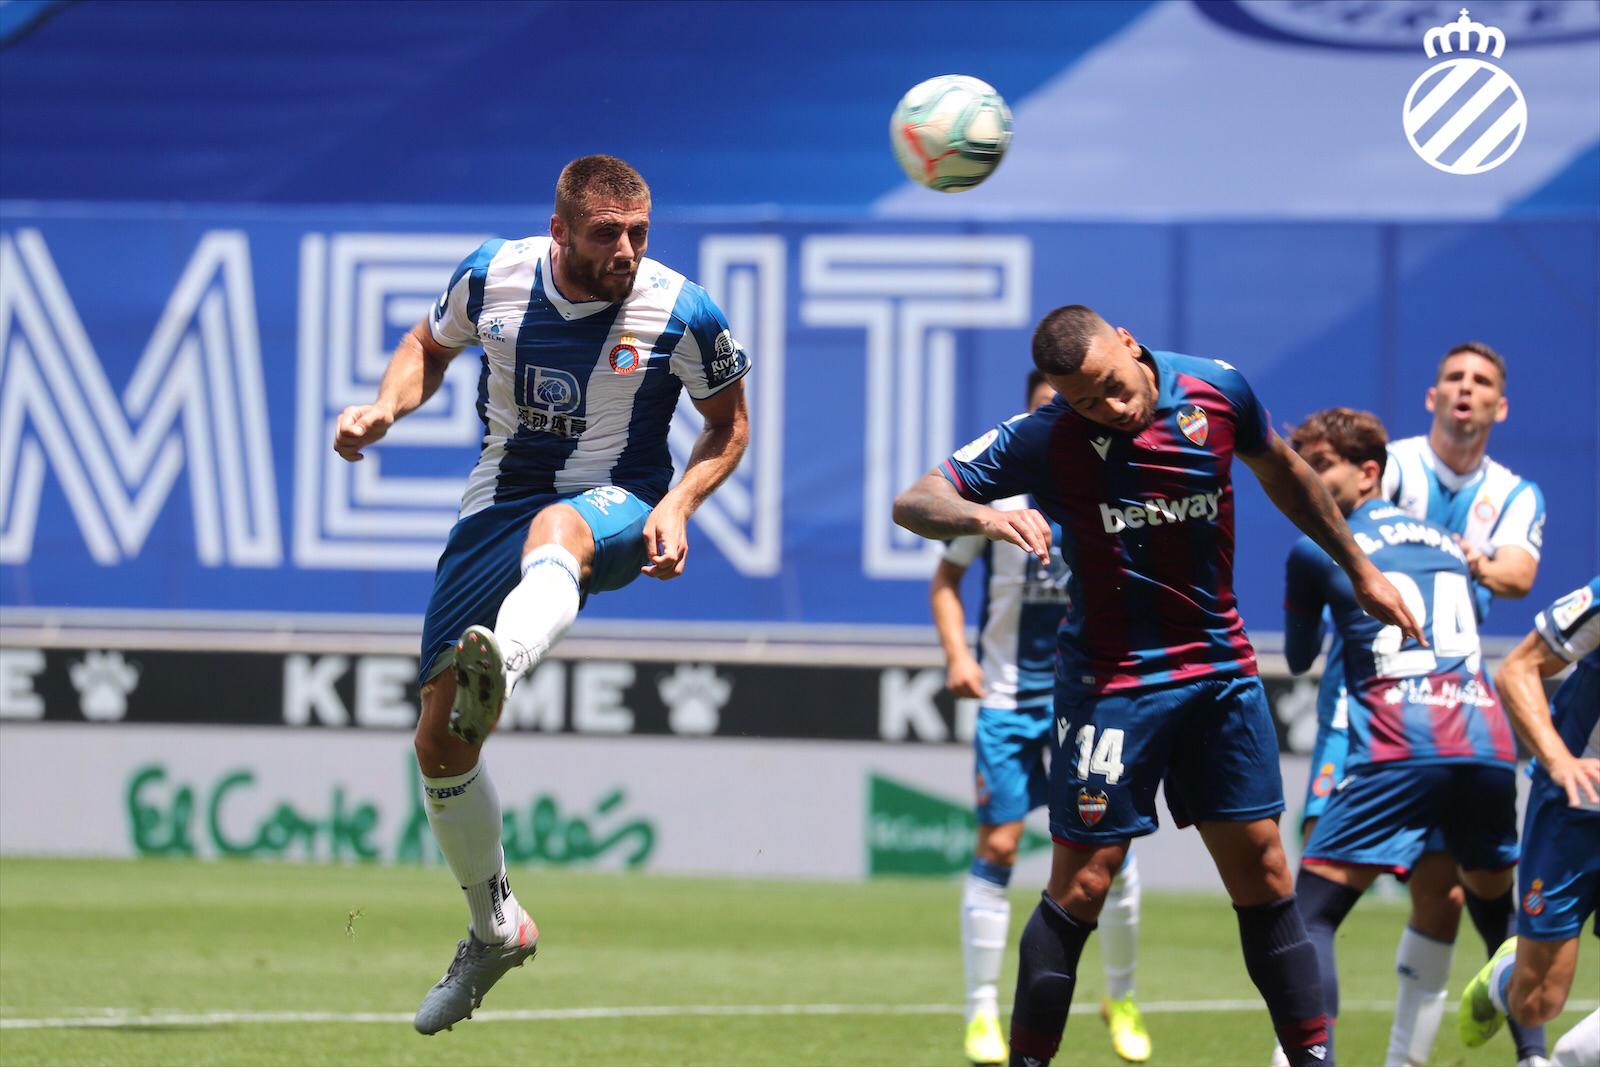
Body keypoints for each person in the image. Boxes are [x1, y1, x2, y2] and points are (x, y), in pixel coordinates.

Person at [893, 305, 1423, 1067]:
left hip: (1219, 671)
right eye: (1085, 401)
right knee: (1083, 884)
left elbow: (1286, 471)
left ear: (1129, 343)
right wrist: (980, 516)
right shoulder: (1047, 435)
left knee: (1266, 871)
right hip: (1114, 683)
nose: (1109, 407)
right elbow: (914, 500)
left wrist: (1361, 569)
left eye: (1113, 385)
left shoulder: (1219, 390)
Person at [332, 155, 750, 1035]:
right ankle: (496, 928)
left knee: (559, 530)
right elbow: (426, 346)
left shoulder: (684, 311)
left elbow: (728, 423)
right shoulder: (492, 275)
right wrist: (384, 409)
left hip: (621, 500)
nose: (627, 250)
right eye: (607, 234)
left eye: (639, 232)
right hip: (497, 502)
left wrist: (679, 503)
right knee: (441, 742)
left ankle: (506, 663)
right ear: (560, 231)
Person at [1294, 343, 1547, 1067]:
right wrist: (1459, 556)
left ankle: (1392, 1059)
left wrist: (1461, 558)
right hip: (1373, 702)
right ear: (1432, 398)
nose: (1467, 389)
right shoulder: (1393, 463)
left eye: (1482, 381)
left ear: (1500, 406)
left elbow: (1519, 573)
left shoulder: (1513, 492)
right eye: (1454, 378)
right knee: (1325, 864)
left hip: (1431, 707)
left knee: (1435, 895)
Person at [933, 371, 1148, 1066]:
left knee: (1109, 853)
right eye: (1044, 410)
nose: (1060, 419)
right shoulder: (997, 496)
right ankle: (980, 1010)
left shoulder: (1111, 490)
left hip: (1090, 696)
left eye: (1071, 407)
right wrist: (958, 654)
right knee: (998, 846)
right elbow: (946, 580)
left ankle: (1122, 996)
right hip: (1008, 696)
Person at [1459, 575, 1600, 1067]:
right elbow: (1518, 669)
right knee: (1537, 1001)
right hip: (1575, 808)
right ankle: (1505, 976)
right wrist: (1559, 760)